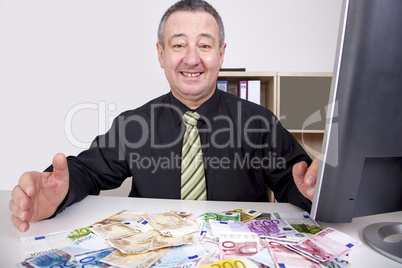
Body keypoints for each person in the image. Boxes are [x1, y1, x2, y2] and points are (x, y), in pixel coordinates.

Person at [9, 0, 318, 233]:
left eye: (205, 45)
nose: (192, 58)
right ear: (161, 54)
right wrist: (57, 193)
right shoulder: (134, 125)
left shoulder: (261, 123)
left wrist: (313, 193)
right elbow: (87, 171)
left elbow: (295, 183)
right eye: (179, 44)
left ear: (221, 54)